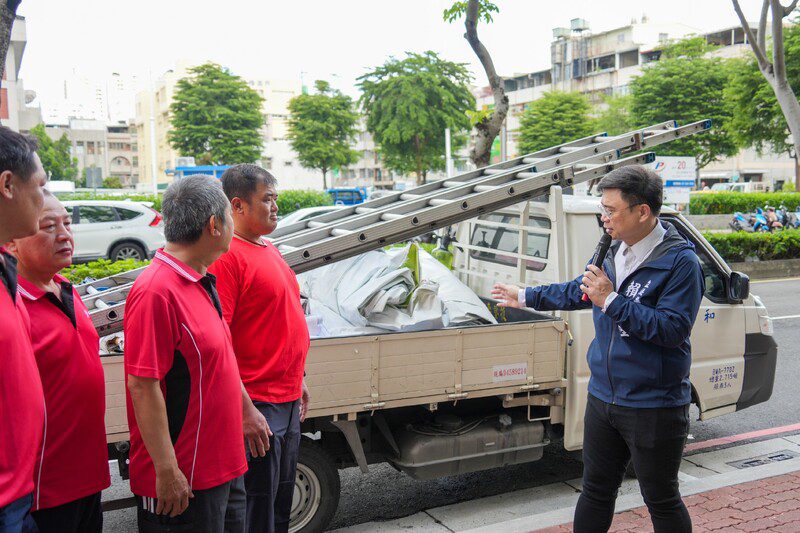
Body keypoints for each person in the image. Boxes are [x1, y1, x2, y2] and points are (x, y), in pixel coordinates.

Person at [492, 165, 704, 533]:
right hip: (603, 398)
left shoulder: (680, 263)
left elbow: (671, 329)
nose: (604, 219)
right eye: (602, 209)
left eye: (611, 210)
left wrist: (611, 299)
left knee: (662, 498)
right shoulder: (613, 247)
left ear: (643, 211)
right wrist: (524, 295)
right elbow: (582, 289)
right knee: (595, 490)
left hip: (653, 404)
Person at [124, 175, 269, 533]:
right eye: (229, 215)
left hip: (223, 466)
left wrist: (247, 410)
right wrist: (168, 470)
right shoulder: (156, 291)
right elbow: (143, 386)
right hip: (186, 482)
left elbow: (218, 360)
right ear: (214, 225)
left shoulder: (201, 279)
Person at [208, 164, 310, 533]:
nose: (275, 207)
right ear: (237, 206)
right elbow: (219, 341)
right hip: (258, 404)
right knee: (257, 508)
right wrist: (245, 410)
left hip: (286, 397)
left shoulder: (267, 248)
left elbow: (281, 319)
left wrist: (299, 377)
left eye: (276, 199)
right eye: (267, 200)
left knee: (281, 502)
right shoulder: (228, 256)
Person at [7, 191, 110, 532]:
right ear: (12, 242)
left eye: (67, 223)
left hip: (89, 475)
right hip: (44, 489)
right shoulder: (13, 306)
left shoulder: (66, 287)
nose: (65, 235)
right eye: (49, 226)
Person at [0, 126, 46, 533]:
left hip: (19, 495)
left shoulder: (5, 267)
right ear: (8, 185)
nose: (44, 200)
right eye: (41, 186)